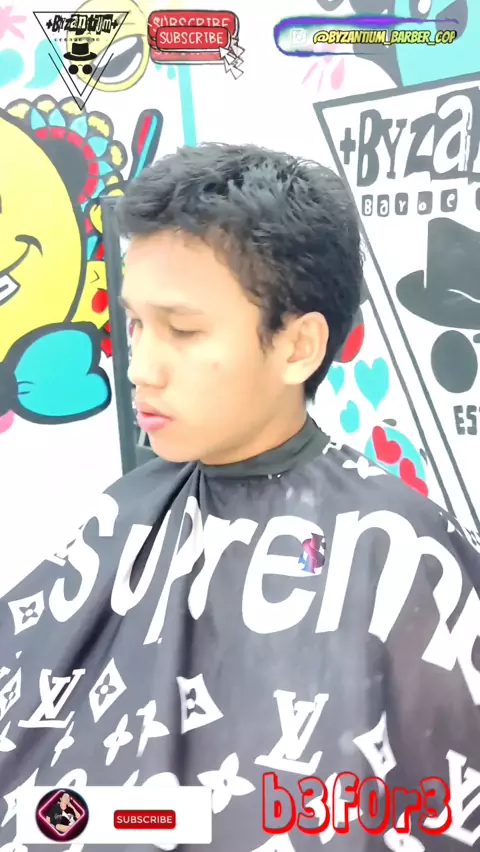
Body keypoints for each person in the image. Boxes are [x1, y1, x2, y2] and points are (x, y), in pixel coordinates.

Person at [1, 143, 480, 851]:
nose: (141, 367)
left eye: (182, 330)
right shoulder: (125, 512)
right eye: (134, 324)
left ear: (298, 347)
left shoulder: (403, 556)